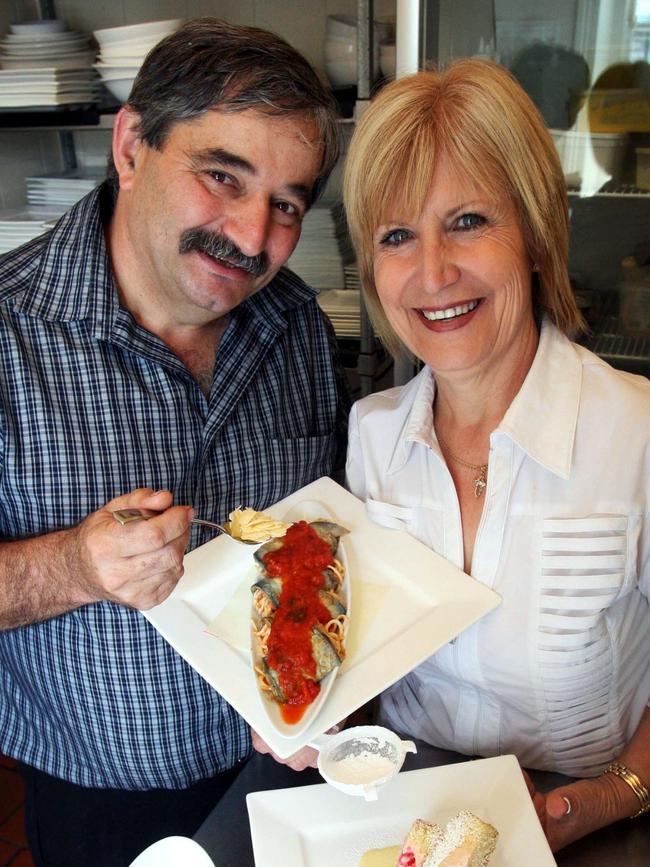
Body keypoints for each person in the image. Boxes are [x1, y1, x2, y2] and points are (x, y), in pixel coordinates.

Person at [0, 17, 349, 866]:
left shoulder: (299, 324)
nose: (254, 236)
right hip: (100, 809)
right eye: (222, 176)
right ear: (131, 146)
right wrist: (77, 565)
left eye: (288, 204)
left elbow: (334, 543)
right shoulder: (8, 330)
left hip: (290, 774)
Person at [342, 59, 650, 853]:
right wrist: (314, 717)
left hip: (589, 828)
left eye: (469, 220)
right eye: (397, 236)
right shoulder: (370, 437)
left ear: (539, 234)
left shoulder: (637, 434)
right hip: (411, 825)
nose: (433, 272)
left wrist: (607, 799)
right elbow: (364, 659)